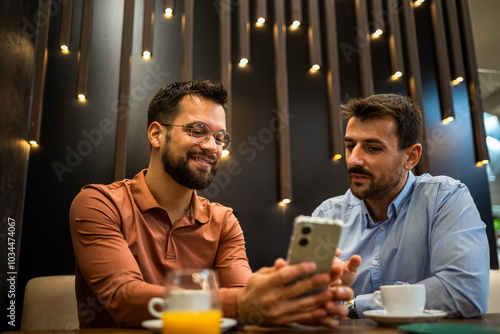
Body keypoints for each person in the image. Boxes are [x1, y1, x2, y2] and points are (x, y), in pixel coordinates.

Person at [69, 80, 356, 329]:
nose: (212, 146)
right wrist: (246, 301)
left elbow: (244, 293)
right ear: (156, 134)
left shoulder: (223, 221)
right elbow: (124, 298)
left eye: (220, 137)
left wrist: (297, 297)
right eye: (197, 130)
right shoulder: (99, 204)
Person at [312, 93, 490, 319]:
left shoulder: (445, 199)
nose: (354, 159)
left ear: (411, 157)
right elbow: (306, 304)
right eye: (350, 145)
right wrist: (325, 294)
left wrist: (354, 306)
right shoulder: (326, 215)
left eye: (373, 148)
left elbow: (465, 292)